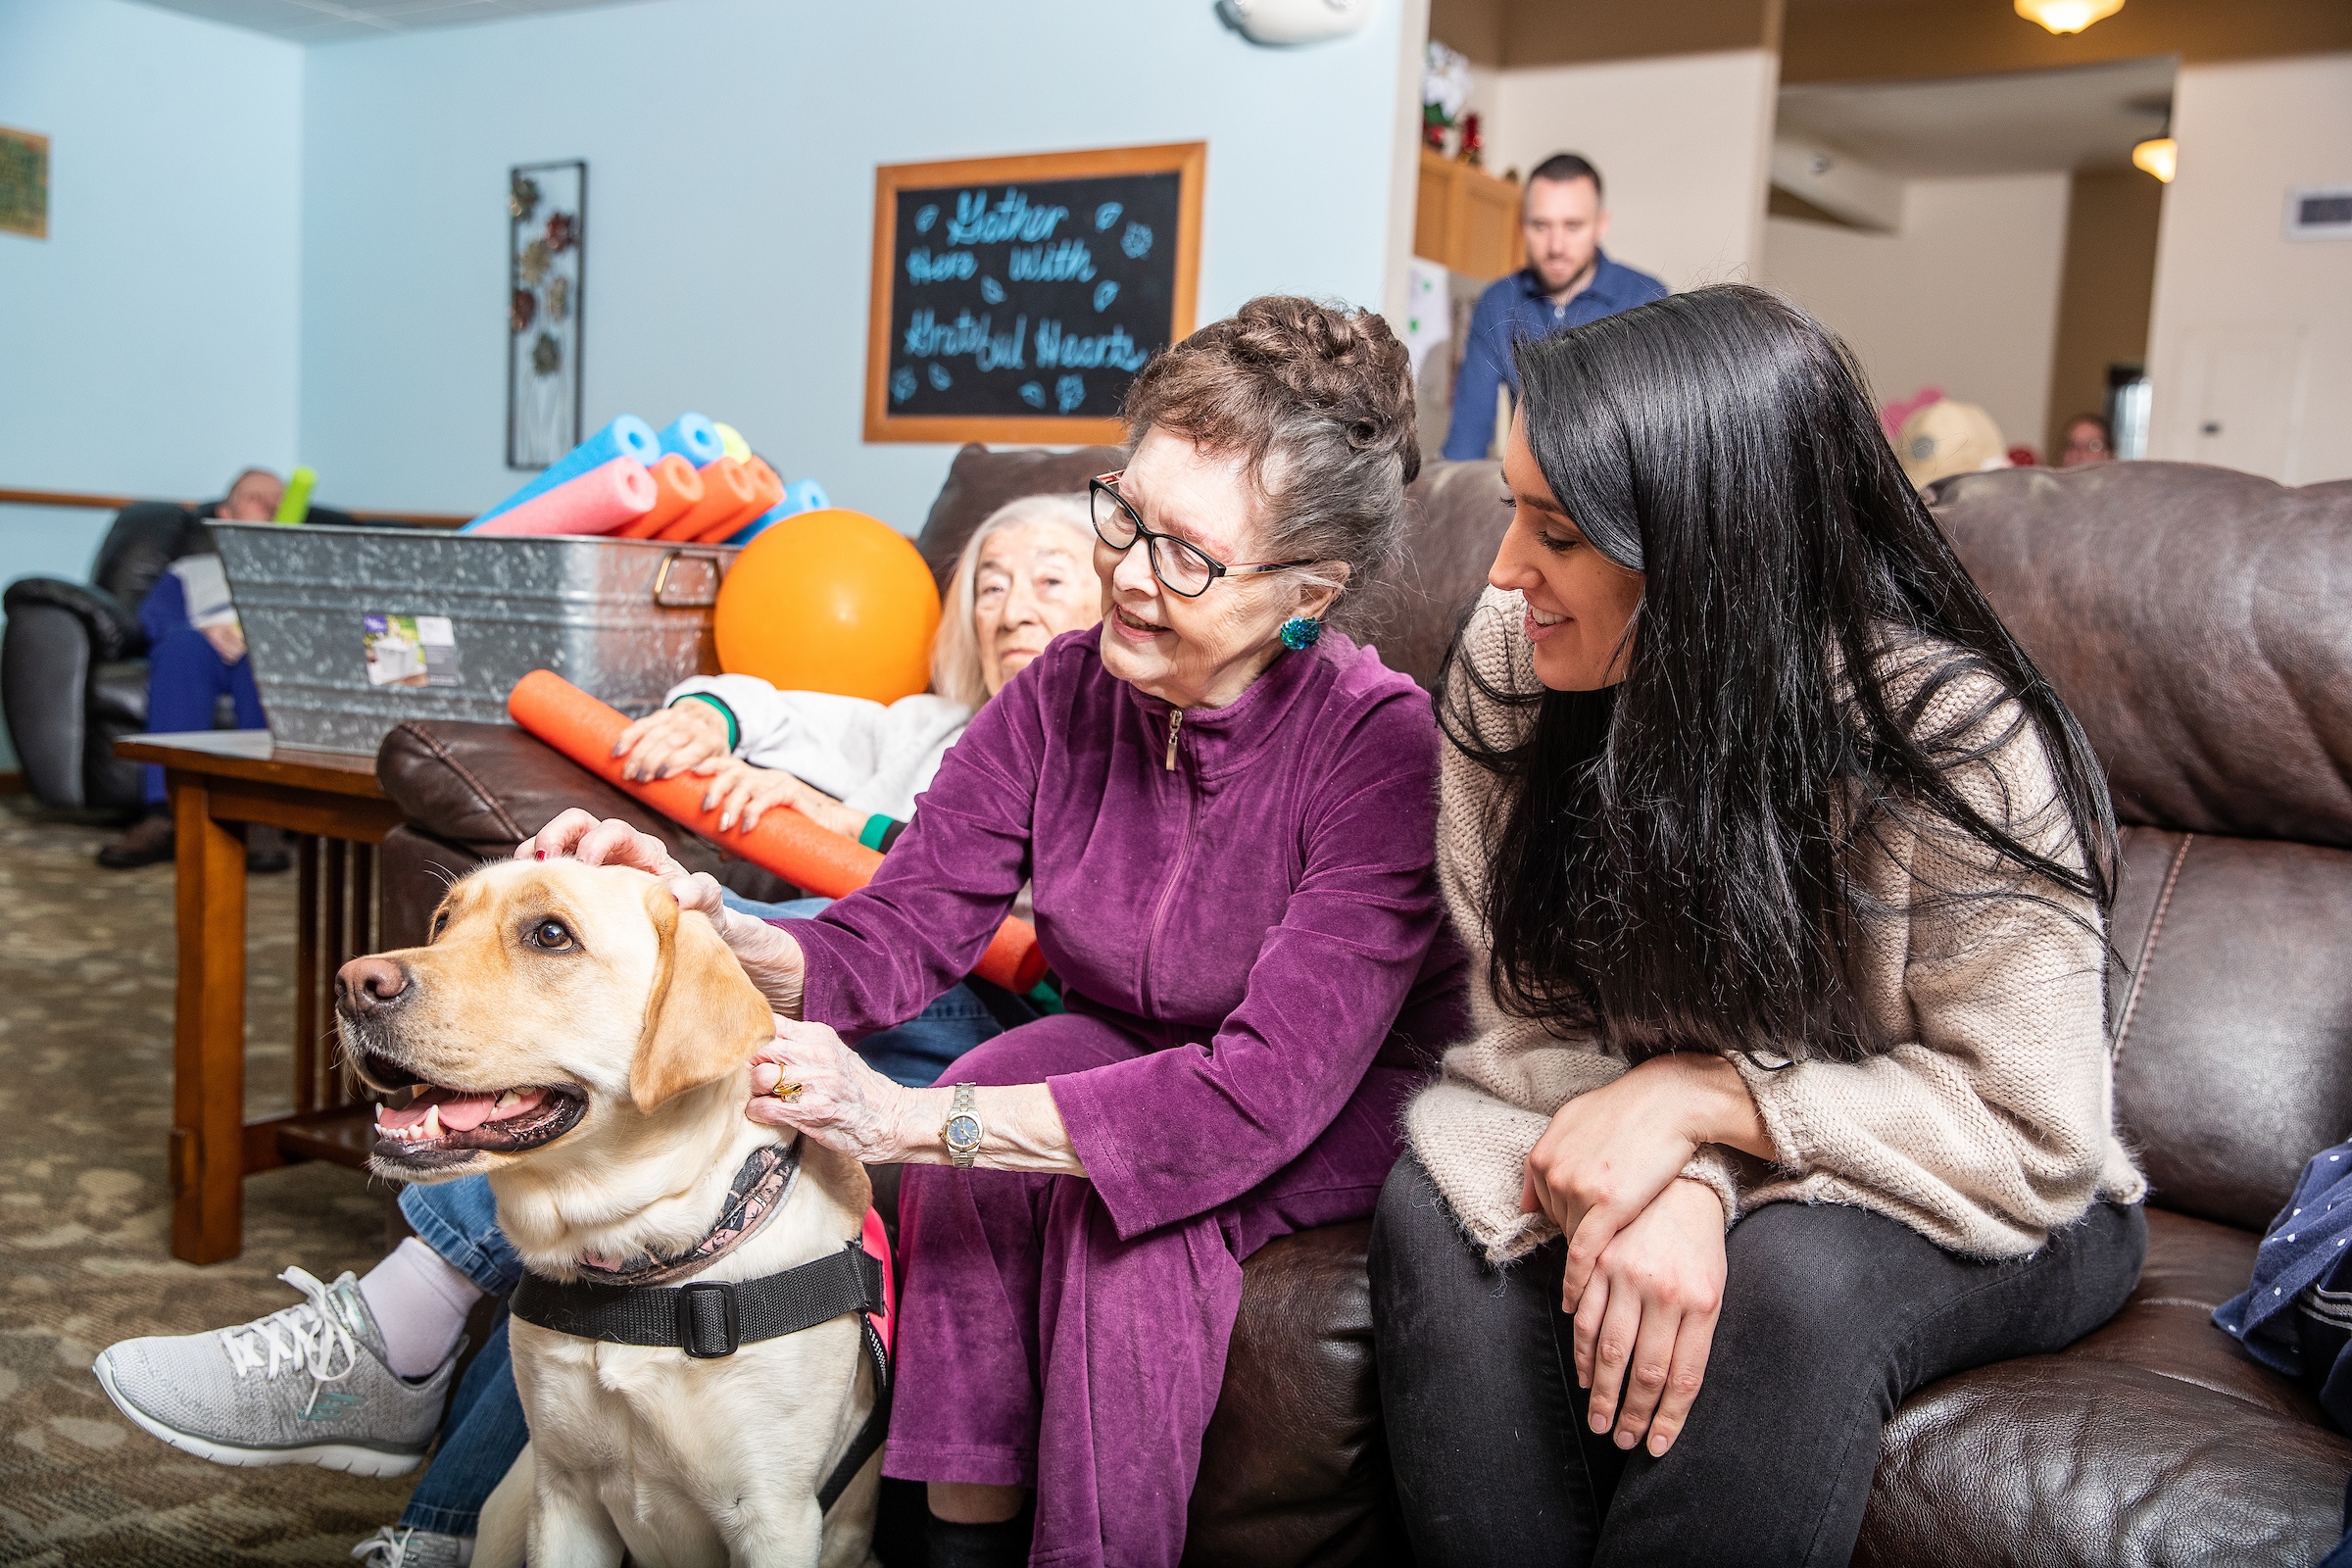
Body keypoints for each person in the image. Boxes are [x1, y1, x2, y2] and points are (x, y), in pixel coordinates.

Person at [529, 295, 1460, 1567]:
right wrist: (697, 923)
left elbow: (1249, 1100)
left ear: (1309, 591)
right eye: (1124, 515)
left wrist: (910, 1123)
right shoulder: (1067, 692)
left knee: (1123, 1216)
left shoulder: (1380, 749)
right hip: (1129, 1036)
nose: (1128, 575)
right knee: (990, 1084)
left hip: (1346, 1092)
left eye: (1183, 555)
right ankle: (953, 1539)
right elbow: (889, 939)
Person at [90, 494, 1104, 1568]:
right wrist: (709, 728)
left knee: (727, 948)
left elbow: (946, 913)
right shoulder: (923, 729)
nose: (1010, 607)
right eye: (987, 583)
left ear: (1115, 596)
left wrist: (757, 880)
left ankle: (402, 1324)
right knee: (602, 1201)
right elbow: (760, 701)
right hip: (850, 986)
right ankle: (440, 1521)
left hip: (979, 1010)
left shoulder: (1099, 749)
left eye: (1048, 578)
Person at [1367, 284, 2148, 1566]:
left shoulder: (1948, 743)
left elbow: (2030, 1127)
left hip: (1982, 1175)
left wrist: (1707, 1126)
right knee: (1444, 1201)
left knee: (1798, 1282)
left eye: (1556, 533)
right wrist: (1672, 1161)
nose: (1505, 572)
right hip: (1655, 1121)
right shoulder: (1515, 665)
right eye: (1511, 509)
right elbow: (1527, 1029)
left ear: (1710, 555)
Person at [97, 466, 289, 870]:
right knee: (182, 645)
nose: (271, 506)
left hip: (264, 653)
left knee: (269, 658)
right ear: (226, 513)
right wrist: (206, 628)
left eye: (279, 501)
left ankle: (259, 816)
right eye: (257, 498)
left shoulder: (301, 573)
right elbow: (152, 620)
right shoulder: (191, 569)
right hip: (203, 647)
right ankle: (162, 815)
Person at [1441, 152, 1668, 462]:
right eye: (1540, 225)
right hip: (1529, 497)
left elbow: (1660, 441)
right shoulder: (1498, 302)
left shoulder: (1645, 299)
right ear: (1522, 223)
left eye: (1573, 226)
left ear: (1601, 224)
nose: (1556, 247)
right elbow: (1466, 439)